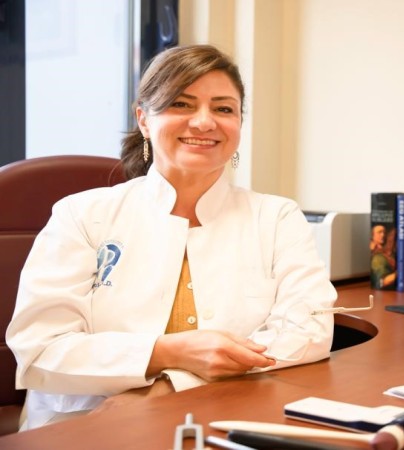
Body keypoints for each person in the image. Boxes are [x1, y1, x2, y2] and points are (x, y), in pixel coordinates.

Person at [6, 44, 337, 430]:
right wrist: (167, 351)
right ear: (144, 120)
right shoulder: (80, 215)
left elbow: (309, 332)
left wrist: (169, 385)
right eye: (181, 104)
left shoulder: (277, 217)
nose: (204, 122)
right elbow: (41, 350)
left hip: (223, 418)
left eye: (223, 109)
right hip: (85, 424)